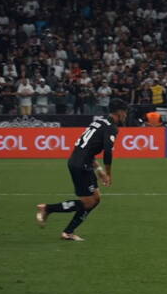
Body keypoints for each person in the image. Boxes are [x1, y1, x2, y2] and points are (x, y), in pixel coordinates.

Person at [35, 98, 129, 241]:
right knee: (88, 202)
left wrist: (99, 171)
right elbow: (108, 152)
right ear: (120, 112)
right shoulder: (111, 127)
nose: (126, 116)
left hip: (80, 162)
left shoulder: (99, 121)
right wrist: (109, 174)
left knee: (96, 199)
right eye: (125, 113)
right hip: (81, 166)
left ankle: (68, 232)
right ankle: (48, 209)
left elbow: (88, 149)